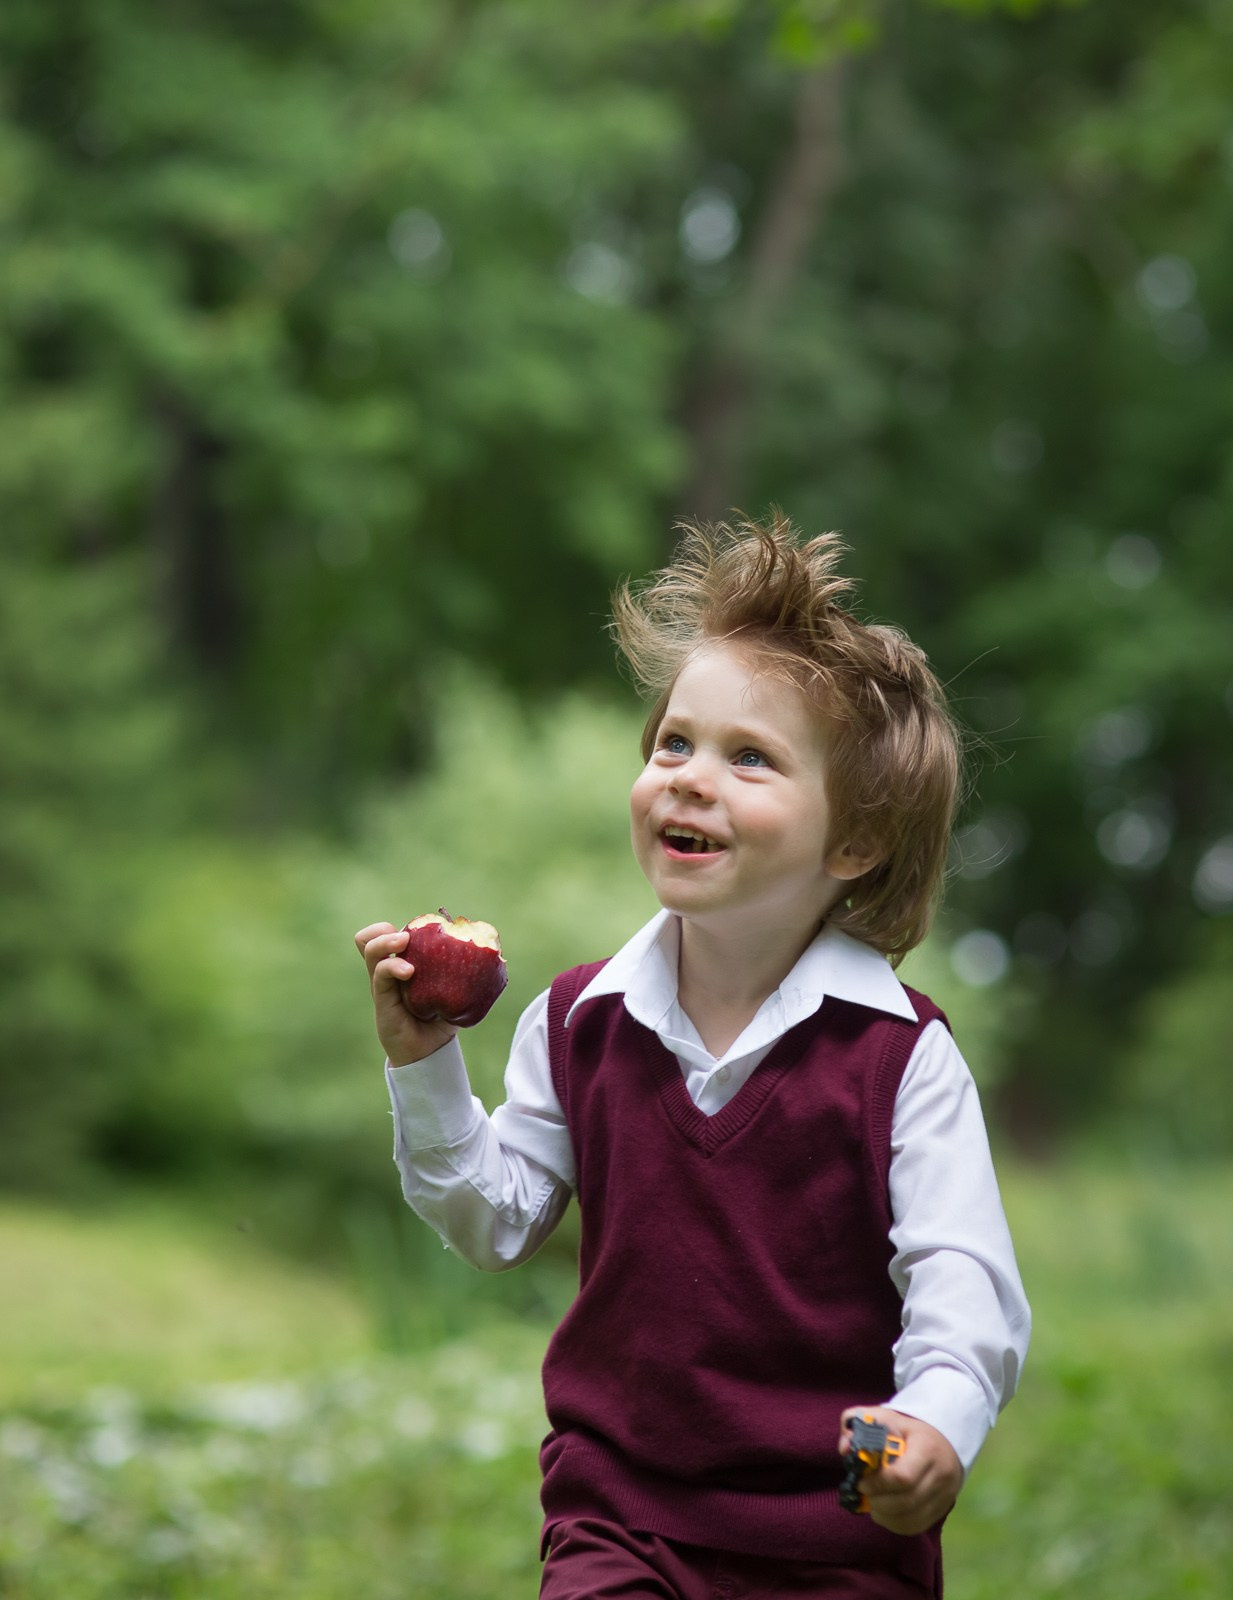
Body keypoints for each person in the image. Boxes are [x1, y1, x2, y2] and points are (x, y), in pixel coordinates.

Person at [354, 513, 1031, 1599]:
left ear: (852, 842)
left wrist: (933, 1423)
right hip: (622, 1514)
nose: (689, 777)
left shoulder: (900, 1059)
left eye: (749, 758)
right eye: (675, 742)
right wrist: (427, 1062)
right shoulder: (581, 1020)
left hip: (836, 1536)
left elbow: (965, 1282)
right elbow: (494, 1219)